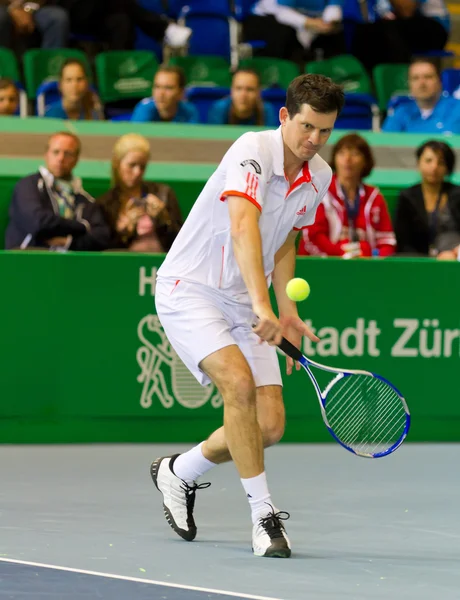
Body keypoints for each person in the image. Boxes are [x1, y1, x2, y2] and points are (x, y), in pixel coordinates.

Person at [151, 74, 344, 558]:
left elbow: (284, 241)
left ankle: (180, 472)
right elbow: (244, 226)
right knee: (237, 385)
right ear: (284, 116)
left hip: (245, 298)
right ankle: (264, 518)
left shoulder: (318, 174)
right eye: (306, 127)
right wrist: (262, 305)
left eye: (324, 131)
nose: (313, 140)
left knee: (270, 427)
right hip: (190, 288)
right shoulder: (251, 149)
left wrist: (287, 309)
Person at [5, 132, 111, 251]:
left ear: (76, 159)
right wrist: (82, 227)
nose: (61, 158)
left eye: (68, 154)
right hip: (28, 260)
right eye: (56, 152)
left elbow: (102, 237)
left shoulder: (85, 199)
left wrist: (69, 242)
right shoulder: (28, 186)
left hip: (70, 265)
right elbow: (38, 222)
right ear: (46, 155)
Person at [298, 133, 396, 257]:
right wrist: (342, 254)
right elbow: (314, 238)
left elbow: (386, 241)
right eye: (342, 153)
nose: (347, 159)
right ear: (334, 159)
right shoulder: (319, 191)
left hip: (366, 266)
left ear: (365, 161)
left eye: (355, 154)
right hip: (324, 265)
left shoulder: (374, 196)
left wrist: (372, 256)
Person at [96, 133, 183, 252]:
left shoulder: (164, 193)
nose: (137, 172)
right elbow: (102, 249)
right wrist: (124, 230)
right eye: (132, 165)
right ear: (117, 164)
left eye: (142, 167)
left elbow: (181, 241)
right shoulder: (105, 203)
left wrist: (163, 219)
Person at [394, 140, 460, 258]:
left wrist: (455, 253)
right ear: (418, 163)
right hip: (416, 261)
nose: (434, 167)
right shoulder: (407, 197)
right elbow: (402, 240)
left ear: (447, 167)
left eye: (441, 162)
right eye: (428, 161)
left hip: (453, 259)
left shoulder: (457, 194)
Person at [347, 0, 449, 72]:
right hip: (401, 24)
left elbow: (407, 11)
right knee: (364, 31)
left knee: (390, 30)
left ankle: (399, 78)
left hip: (435, 26)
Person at [58, 0, 191, 51]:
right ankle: (164, 29)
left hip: (98, 14)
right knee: (124, 4)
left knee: (122, 20)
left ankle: (120, 75)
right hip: (70, 11)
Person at [246, 0, 345, 61]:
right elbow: (283, 14)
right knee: (284, 34)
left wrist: (328, 24)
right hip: (268, 18)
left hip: (311, 19)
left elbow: (333, 8)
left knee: (335, 33)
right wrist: (313, 23)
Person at [382, 59, 460, 134]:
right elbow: (384, 143)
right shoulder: (401, 113)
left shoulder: (457, 109)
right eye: (415, 78)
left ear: (440, 82)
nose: (422, 83)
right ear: (409, 84)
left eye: (428, 77)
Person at [208, 69, 278, 127]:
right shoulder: (220, 108)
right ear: (231, 90)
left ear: (258, 92)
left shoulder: (266, 110)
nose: (243, 95)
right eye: (238, 88)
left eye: (250, 89)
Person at [131, 66, 199, 124]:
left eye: (168, 88)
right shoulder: (144, 109)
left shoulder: (189, 112)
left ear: (181, 92)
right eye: (157, 87)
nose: (161, 94)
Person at [0, 0, 69, 49]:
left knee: (57, 17)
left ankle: (51, 65)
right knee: (2, 16)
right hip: (3, 7)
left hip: (31, 8)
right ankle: (4, 65)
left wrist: (28, 11)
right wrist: (12, 10)